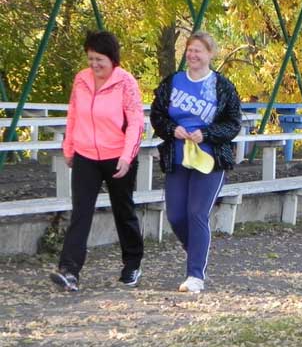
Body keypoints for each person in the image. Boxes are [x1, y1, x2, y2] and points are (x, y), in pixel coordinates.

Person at [49, 31, 145, 292]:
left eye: (99, 59)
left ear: (112, 59)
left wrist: (127, 157)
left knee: (123, 210)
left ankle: (132, 263)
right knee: (81, 212)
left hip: (117, 156)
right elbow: (73, 115)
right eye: (91, 58)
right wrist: (68, 148)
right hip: (85, 155)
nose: (94, 65)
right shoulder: (81, 80)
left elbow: (136, 123)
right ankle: (69, 271)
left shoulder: (126, 83)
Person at [150, 31, 241, 294]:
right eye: (190, 50)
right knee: (177, 215)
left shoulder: (222, 86)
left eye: (198, 51)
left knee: (197, 213)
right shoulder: (173, 82)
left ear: (210, 54)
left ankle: (195, 276)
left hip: (209, 160)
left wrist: (208, 134)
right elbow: (157, 115)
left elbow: (232, 123)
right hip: (178, 157)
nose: (193, 55)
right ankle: (198, 251)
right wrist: (171, 129)